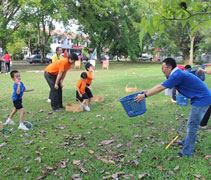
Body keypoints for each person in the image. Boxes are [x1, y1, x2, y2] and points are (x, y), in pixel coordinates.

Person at [135, 58, 211, 157]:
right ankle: (184, 143)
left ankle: (187, 153)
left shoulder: (177, 75)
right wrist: (146, 91)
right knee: (191, 123)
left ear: (169, 67)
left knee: (193, 126)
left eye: (163, 68)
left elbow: (161, 88)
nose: (162, 71)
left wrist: (144, 96)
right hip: (201, 98)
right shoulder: (177, 73)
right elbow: (161, 85)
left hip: (202, 99)